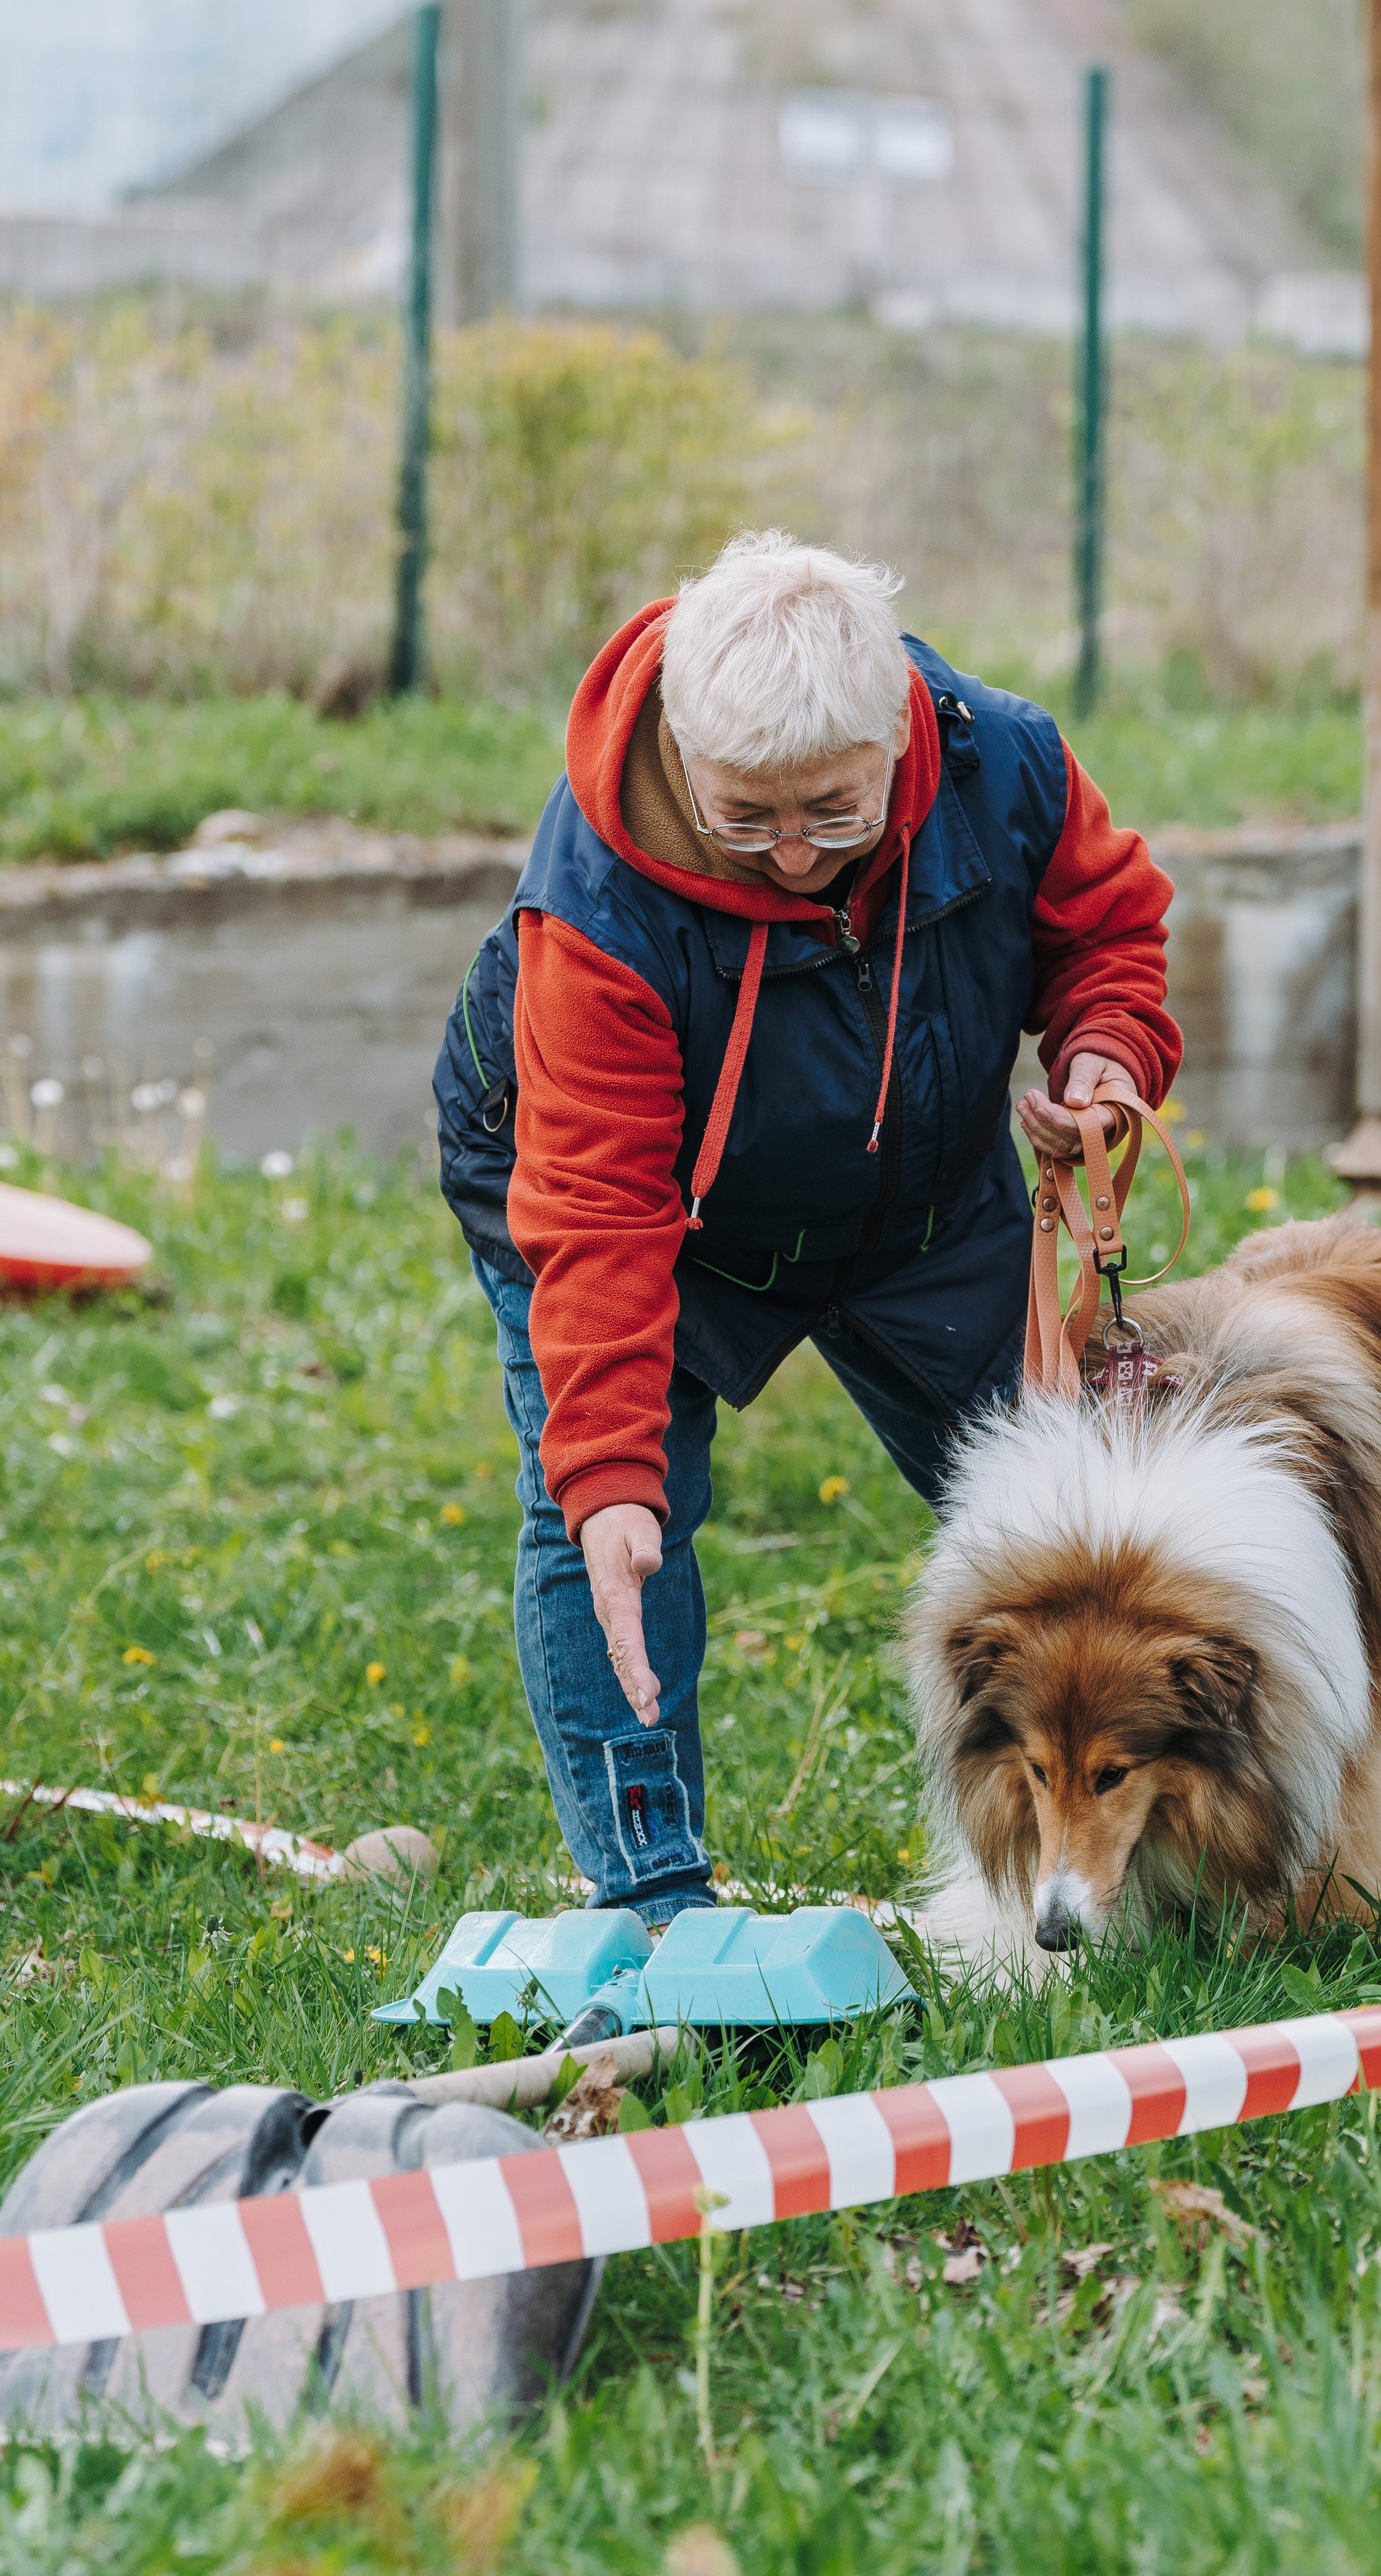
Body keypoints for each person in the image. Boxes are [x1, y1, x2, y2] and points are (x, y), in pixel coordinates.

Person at [434, 531, 1180, 1924]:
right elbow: (594, 1213)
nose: (789, 853)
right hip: (630, 1201)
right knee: (615, 1519)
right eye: (745, 817)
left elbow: (1108, 932)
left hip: (915, 1182)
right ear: (683, 751)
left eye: (831, 814)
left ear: (895, 734)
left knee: (1076, 1494)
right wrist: (607, 1475)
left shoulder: (1006, 766)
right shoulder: (595, 911)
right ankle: (654, 1898)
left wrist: (1104, 1052)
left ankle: (1123, 1859)